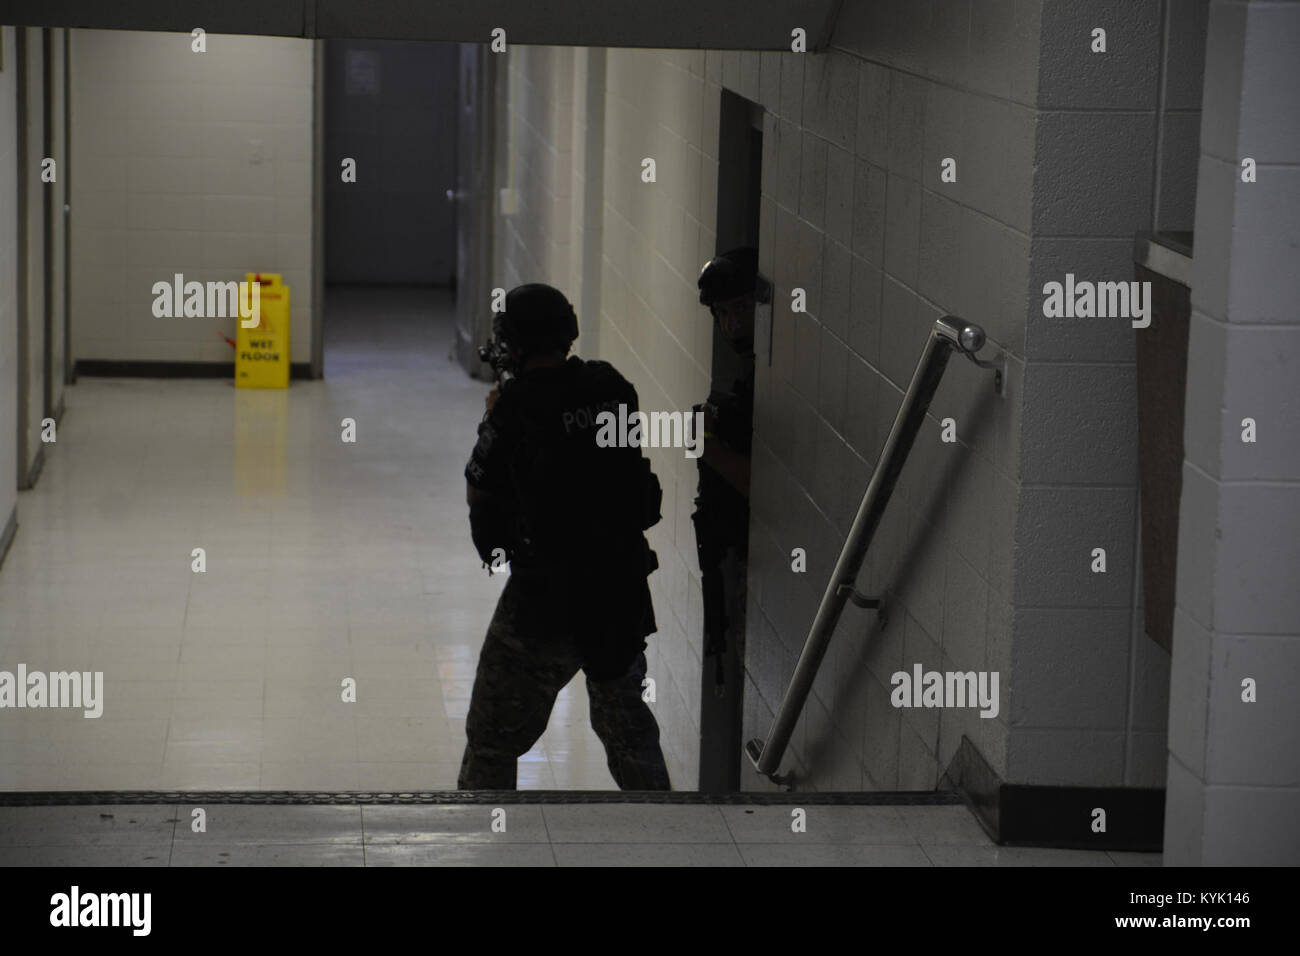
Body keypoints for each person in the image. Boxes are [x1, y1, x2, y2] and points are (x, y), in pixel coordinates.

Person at [458, 282, 672, 791]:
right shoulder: (612, 387)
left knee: (491, 739)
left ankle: (485, 841)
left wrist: (495, 416)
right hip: (618, 591)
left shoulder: (512, 408)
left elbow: (479, 497)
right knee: (630, 738)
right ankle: (666, 841)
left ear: (515, 344)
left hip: (542, 604)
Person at [691, 248, 767, 694]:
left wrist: (708, 448)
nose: (731, 325)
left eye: (740, 308)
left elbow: (764, 486)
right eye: (722, 313)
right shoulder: (753, 374)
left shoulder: (778, 376)